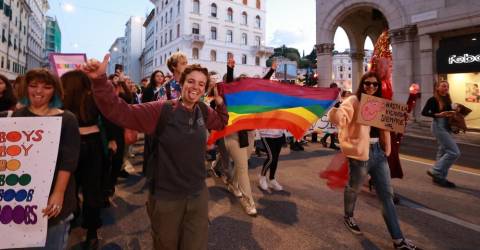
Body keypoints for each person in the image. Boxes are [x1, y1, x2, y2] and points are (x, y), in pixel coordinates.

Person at [83, 55, 228, 250]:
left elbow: (220, 122)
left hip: (197, 194)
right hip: (166, 197)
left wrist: (220, 103)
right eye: (191, 81)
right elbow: (122, 112)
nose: (196, 87)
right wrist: (100, 81)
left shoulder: (202, 110)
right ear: (181, 82)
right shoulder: (162, 110)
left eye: (201, 84)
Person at [328, 72, 420, 250]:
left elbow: (388, 125)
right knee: (353, 188)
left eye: (375, 85)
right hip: (360, 154)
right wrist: (335, 105)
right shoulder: (353, 101)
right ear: (362, 84)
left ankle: (398, 240)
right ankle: (348, 216)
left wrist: (400, 119)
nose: (371, 87)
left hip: (379, 153)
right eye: (367, 84)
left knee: (387, 195)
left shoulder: (380, 104)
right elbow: (339, 119)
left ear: (378, 87)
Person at [4, 68, 81, 249]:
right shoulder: (17, 116)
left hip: (55, 193)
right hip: (24, 194)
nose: (39, 91)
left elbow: (69, 161)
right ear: (26, 88)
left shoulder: (67, 119)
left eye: (46, 87)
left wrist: (58, 193)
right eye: (33, 86)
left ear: (55, 90)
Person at [221, 56, 275, 216]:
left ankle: (233, 184)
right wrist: (230, 69)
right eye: (242, 82)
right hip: (233, 135)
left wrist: (271, 70)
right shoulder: (232, 96)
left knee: (241, 165)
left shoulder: (252, 98)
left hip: (249, 134)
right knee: (243, 168)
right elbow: (229, 84)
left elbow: (263, 84)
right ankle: (249, 202)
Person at [61, 70, 108, 249]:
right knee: (92, 189)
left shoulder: (62, 100)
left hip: (68, 144)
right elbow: (107, 119)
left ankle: (73, 214)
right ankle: (92, 232)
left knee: (68, 185)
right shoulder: (94, 98)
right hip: (93, 145)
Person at [422, 80, 459, 188]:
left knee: (443, 151)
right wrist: (438, 115)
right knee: (454, 152)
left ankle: (440, 178)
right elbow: (424, 112)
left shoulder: (448, 99)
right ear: (437, 88)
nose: (446, 88)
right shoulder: (433, 99)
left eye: (447, 86)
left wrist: (455, 110)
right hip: (438, 125)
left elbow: (449, 113)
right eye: (443, 86)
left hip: (447, 126)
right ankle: (436, 170)